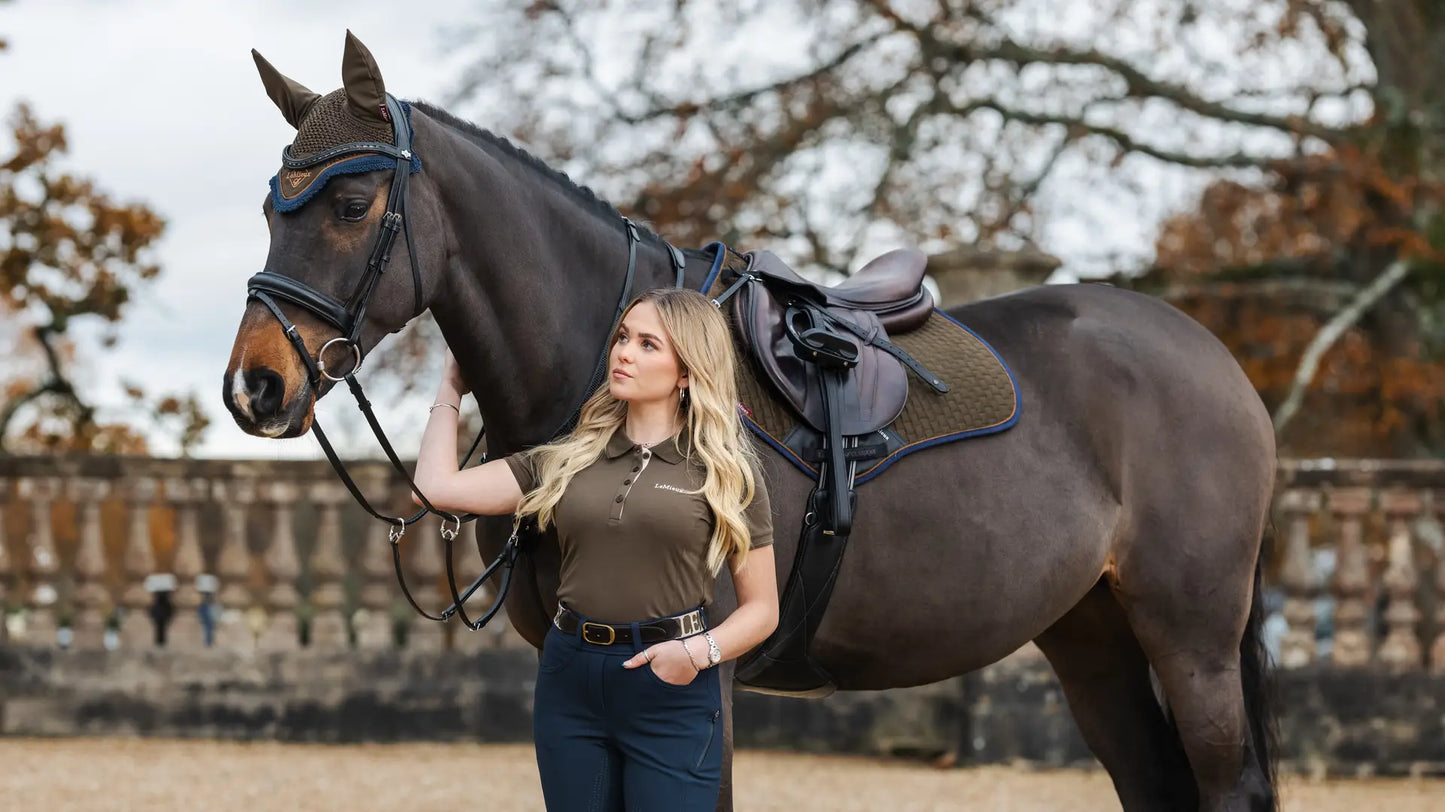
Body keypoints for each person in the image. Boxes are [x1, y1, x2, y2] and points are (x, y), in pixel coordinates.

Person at [412, 287, 779, 811]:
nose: (624, 352)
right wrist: (450, 388)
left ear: (686, 372)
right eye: (624, 337)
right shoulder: (566, 459)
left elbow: (763, 609)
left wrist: (699, 653)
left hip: (669, 685)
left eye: (649, 344)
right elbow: (435, 489)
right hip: (571, 680)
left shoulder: (726, 473)